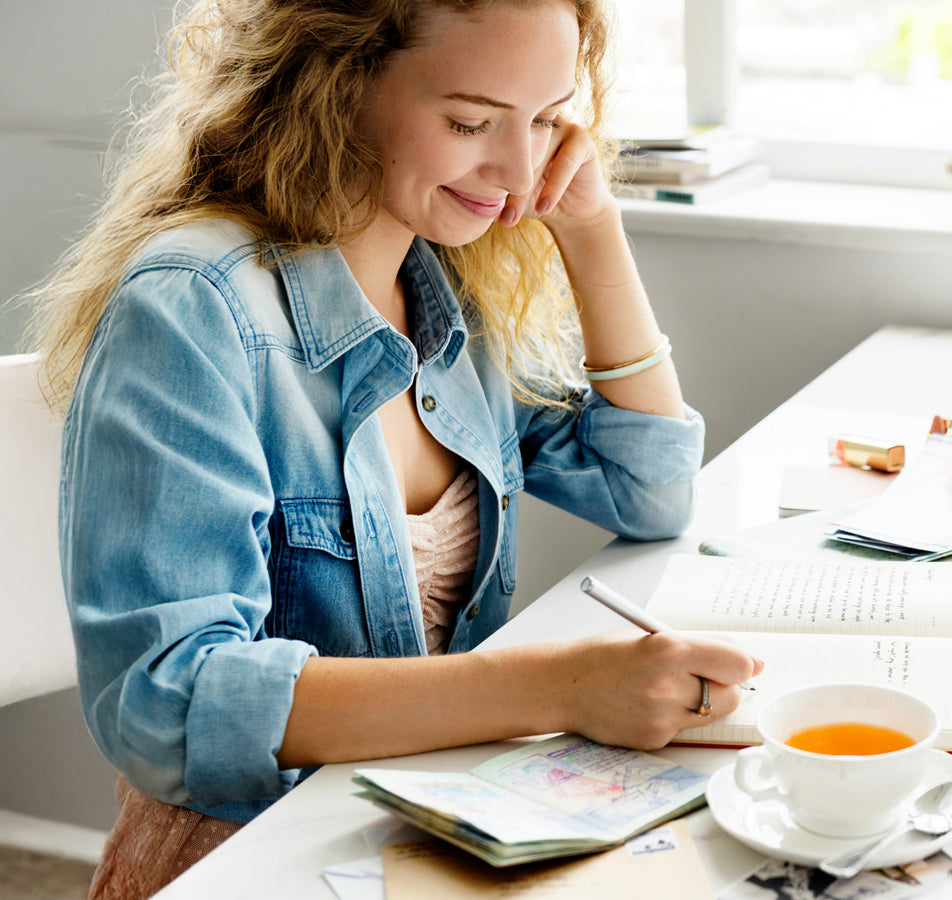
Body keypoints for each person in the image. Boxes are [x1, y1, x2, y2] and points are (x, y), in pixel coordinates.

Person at [24, 1, 761, 895]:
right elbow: (168, 704)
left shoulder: (445, 286)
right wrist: (558, 687)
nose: (519, 171)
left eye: (547, 120)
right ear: (337, 86)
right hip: (256, 860)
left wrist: (591, 224)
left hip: (425, 833)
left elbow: (648, 488)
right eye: (470, 123)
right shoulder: (194, 309)